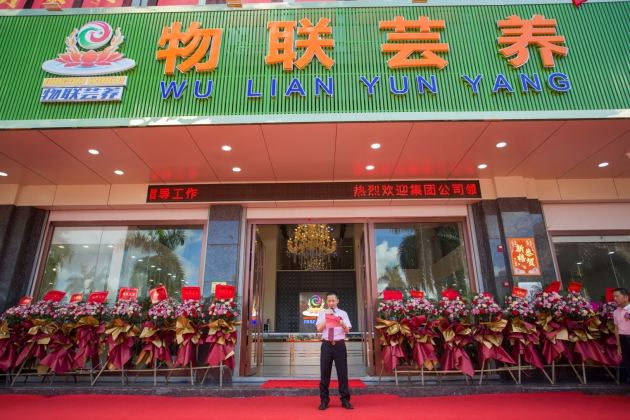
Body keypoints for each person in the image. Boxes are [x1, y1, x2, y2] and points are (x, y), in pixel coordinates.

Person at [316, 291, 353, 410]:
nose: (331, 303)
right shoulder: (322, 313)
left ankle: (345, 400)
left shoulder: (343, 313)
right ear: (326, 302)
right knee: (324, 373)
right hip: (326, 346)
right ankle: (324, 400)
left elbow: (347, 330)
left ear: (337, 301)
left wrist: (342, 324)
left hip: (339, 345)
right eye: (329, 301)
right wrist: (328, 318)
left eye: (333, 300)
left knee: (342, 373)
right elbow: (319, 328)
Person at [613, 288, 630, 384]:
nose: (615, 298)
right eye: (614, 296)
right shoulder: (616, 312)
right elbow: (616, 328)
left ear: (626, 297)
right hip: (623, 339)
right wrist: (618, 344)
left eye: (617, 296)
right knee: (628, 363)